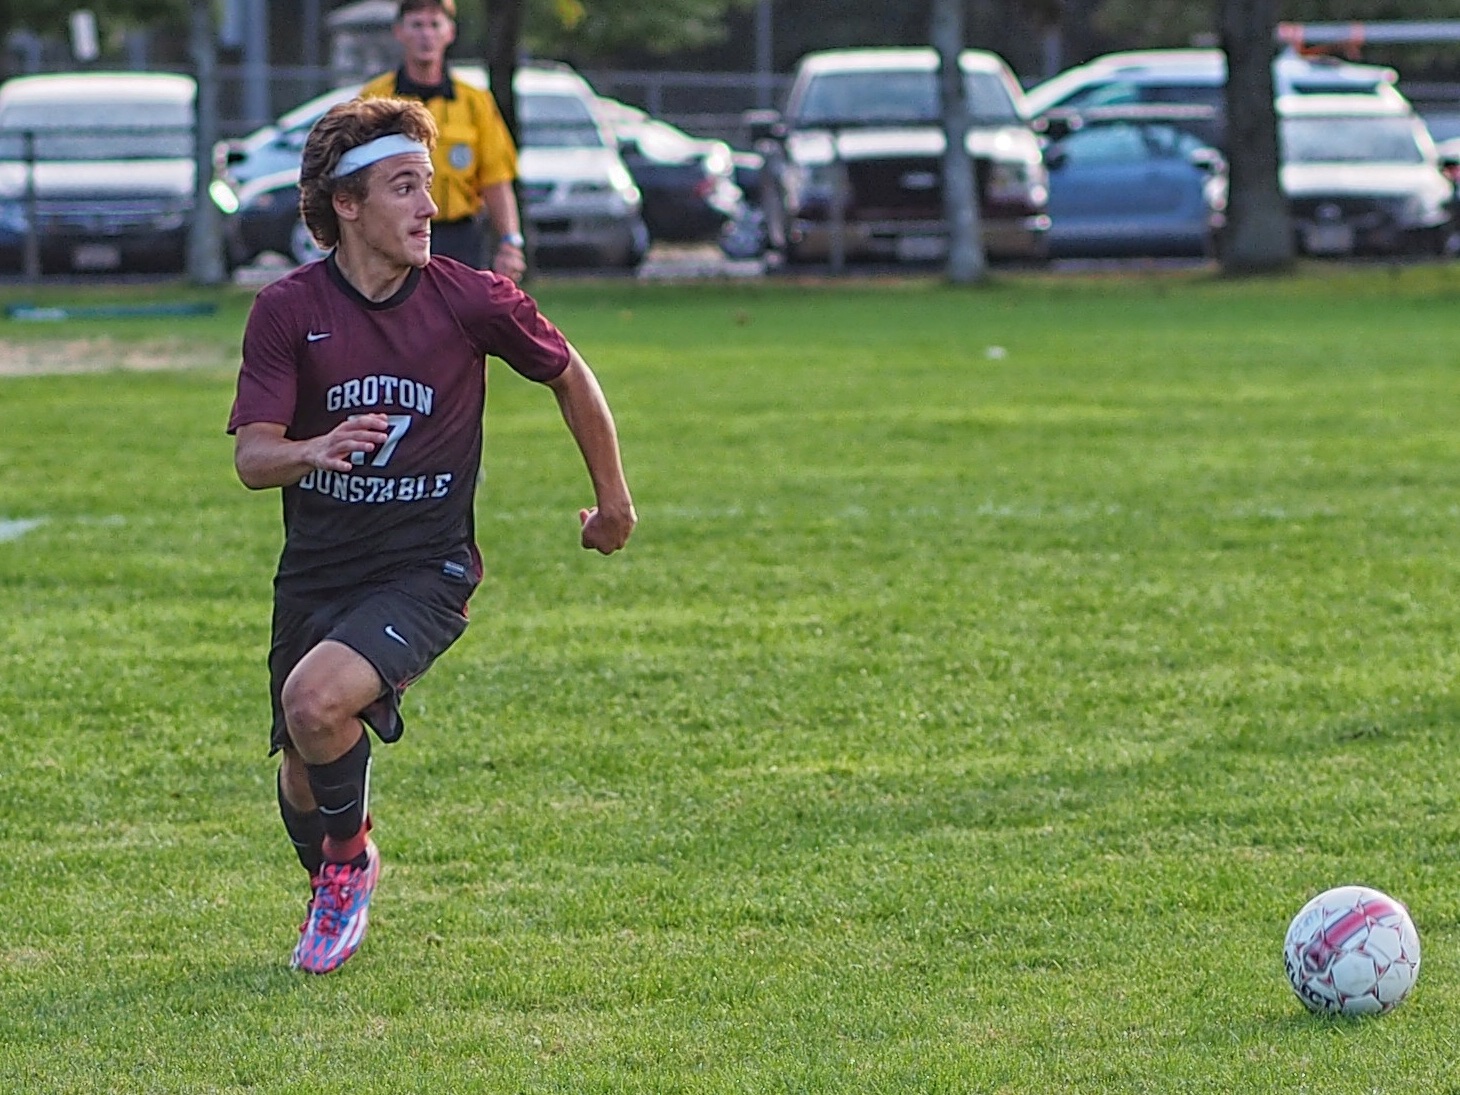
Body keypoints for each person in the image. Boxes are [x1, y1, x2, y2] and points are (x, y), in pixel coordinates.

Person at [227, 95, 636, 975]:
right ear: (347, 203)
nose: (430, 206)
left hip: (427, 567)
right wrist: (313, 449)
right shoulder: (287, 310)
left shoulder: (469, 298)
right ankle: (334, 870)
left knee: (315, 702)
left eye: (430, 184)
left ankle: (348, 866)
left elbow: (570, 374)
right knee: (301, 763)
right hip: (317, 571)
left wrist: (613, 501)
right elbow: (253, 458)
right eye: (404, 187)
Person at [360, 0, 527, 281]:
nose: (426, 35)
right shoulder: (375, 99)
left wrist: (510, 242)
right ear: (399, 32)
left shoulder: (474, 101)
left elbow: (496, 178)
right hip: (396, 234)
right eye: (417, 25)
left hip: (459, 238)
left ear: (450, 32)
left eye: (435, 25)